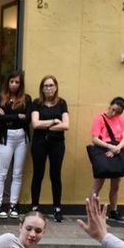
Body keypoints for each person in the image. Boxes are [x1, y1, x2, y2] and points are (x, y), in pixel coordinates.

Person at [29, 75, 70, 222]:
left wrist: (46, 126)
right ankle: (34, 206)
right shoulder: (36, 103)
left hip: (57, 144)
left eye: (51, 85)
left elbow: (66, 125)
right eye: (45, 86)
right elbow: (35, 124)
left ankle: (57, 208)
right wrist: (53, 122)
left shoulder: (62, 103)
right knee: (38, 174)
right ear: (42, 88)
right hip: (39, 143)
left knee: (55, 175)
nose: (48, 88)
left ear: (56, 87)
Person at [0, 70, 31, 218]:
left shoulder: (26, 98)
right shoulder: (0, 97)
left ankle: (13, 205)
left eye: (17, 82)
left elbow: (27, 119)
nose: (14, 84)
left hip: (22, 137)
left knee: (17, 173)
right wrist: (17, 116)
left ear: (21, 84)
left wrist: (8, 115)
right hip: (6, 136)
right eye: (11, 81)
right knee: (2, 172)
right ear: (7, 82)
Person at [89, 96, 124, 224]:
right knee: (98, 183)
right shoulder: (99, 118)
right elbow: (95, 139)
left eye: (118, 112)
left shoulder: (121, 119)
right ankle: (91, 212)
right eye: (113, 109)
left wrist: (117, 148)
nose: (114, 113)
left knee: (116, 184)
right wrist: (109, 147)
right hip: (104, 150)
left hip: (117, 150)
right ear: (110, 105)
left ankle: (113, 211)